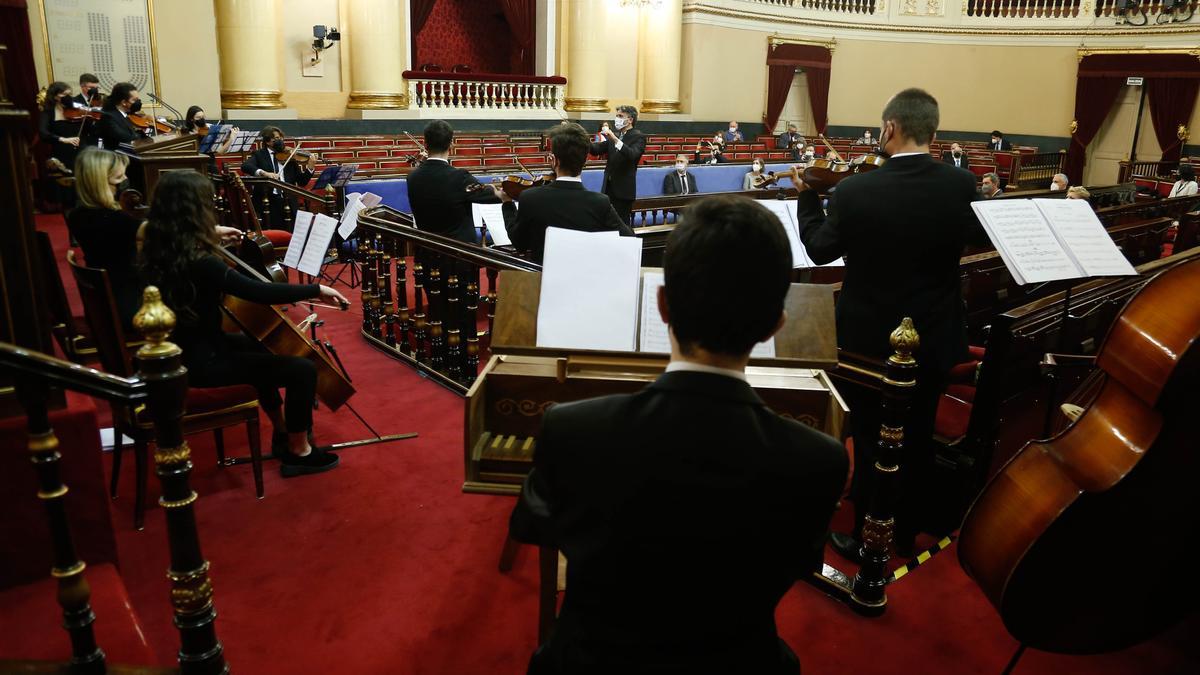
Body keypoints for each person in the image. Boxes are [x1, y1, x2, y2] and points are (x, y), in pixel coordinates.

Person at [509, 194, 848, 675]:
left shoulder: (573, 429)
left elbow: (530, 526)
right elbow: (798, 562)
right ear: (776, 322)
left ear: (663, 305)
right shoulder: (820, 459)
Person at [794, 87, 988, 558]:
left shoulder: (858, 189)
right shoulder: (961, 185)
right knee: (918, 432)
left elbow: (819, 249)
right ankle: (906, 530)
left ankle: (865, 532)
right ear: (934, 133)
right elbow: (973, 239)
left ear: (889, 128)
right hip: (935, 335)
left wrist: (806, 198)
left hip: (867, 340)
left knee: (868, 432)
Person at [139, 171, 351, 477]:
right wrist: (316, 289)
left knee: (260, 344)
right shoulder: (202, 262)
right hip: (201, 361)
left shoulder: (158, 245)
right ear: (194, 211)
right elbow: (259, 292)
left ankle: (281, 431)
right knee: (302, 370)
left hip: (182, 348)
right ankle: (299, 451)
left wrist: (211, 234)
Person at [497, 123, 632, 263]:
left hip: (543, 279)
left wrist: (507, 204)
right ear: (585, 160)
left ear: (554, 160)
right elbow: (628, 237)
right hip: (583, 278)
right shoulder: (600, 202)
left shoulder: (531, 197)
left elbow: (520, 244)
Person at [67, 149, 142, 327]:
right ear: (100, 182)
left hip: (102, 304)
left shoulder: (77, 214)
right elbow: (163, 232)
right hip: (128, 307)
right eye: (118, 178)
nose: (125, 181)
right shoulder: (115, 220)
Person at [406, 120, 503, 244]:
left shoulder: (412, 177)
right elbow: (490, 195)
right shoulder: (459, 177)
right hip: (458, 253)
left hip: (428, 251)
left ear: (425, 145)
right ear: (451, 145)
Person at [241, 126, 317, 230]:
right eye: (276, 138)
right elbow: (245, 166)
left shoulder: (290, 156)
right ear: (268, 142)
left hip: (289, 201)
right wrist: (264, 173)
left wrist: (310, 168)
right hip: (268, 201)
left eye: (281, 138)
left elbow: (302, 182)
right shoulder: (260, 154)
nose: (280, 141)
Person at [590, 105, 645, 226]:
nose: (617, 119)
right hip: (608, 189)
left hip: (623, 191)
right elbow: (595, 149)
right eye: (616, 116)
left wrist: (615, 140)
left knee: (622, 225)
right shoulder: (615, 135)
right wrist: (582, 138)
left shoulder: (638, 136)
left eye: (620, 116)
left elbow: (632, 155)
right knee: (606, 224)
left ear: (630, 120)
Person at [39, 81, 83, 207]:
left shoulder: (76, 109)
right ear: (55, 97)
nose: (69, 97)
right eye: (65, 95)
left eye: (70, 94)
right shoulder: (48, 112)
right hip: (61, 153)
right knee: (67, 194)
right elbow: (43, 133)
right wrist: (62, 139)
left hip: (79, 151)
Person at [96, 82, 142, 150]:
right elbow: (124, 137)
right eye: (134, 100)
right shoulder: (108, 116)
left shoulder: (126, 114)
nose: (137, 102)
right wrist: (141, 137)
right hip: (118, 156)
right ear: (123, 102)